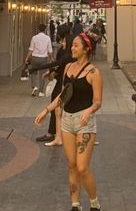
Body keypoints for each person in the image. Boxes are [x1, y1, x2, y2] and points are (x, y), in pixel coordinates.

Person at [35, 33, 102, 211]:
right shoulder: (68, 68)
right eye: (72, 45)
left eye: (76, 46)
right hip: (67, 122)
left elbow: (97, 101)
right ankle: (75, 204)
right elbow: (64, 95)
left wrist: (88, 111)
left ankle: (95, 204)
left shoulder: (94, 73)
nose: (72, 48)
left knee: (82, 167)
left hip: (84, 123)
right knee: (72, 165)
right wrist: (46, 110)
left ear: (86, 49)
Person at [33, 24, 74, 145]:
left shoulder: (65, 48)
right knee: (59, 107)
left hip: (63, 80)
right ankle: (58, 134)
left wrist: (53, 72)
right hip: (66, 78)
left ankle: (54, 134)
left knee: (57, 105)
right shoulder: (69, 45)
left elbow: (60, 64)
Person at [25, 23, 53, 97]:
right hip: (43, 58)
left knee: (33, 73)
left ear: (38, 29)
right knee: (42, 75)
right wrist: (52, 59)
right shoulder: (48, 38)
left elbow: (31, 49)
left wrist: (27, 58)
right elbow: (50, 50)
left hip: (35, 58)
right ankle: (41, 91)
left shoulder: (34, 38)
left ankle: (34, 87)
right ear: (45, 29)